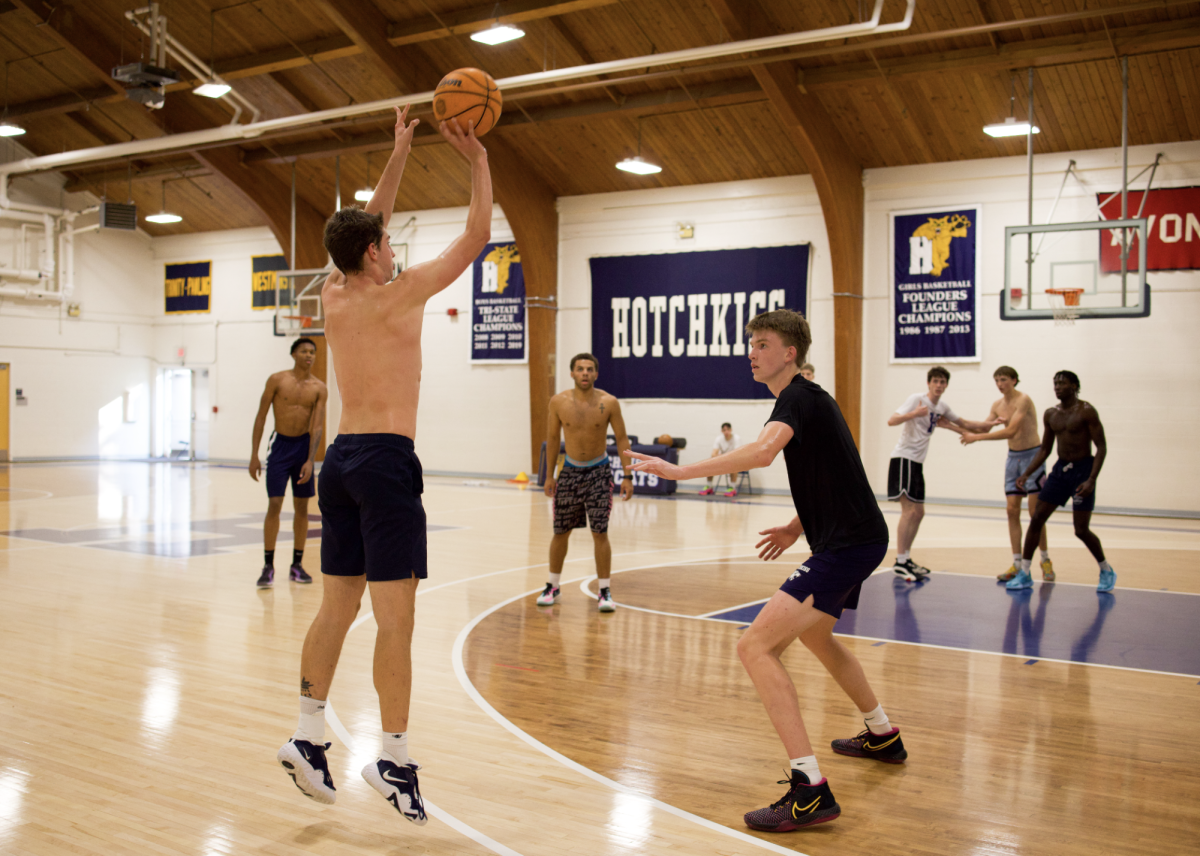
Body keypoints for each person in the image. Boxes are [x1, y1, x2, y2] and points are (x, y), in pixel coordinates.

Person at [275, 106, 491, 824]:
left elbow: (364, 222)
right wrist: (478, 161)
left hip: (339, 461)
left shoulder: (335, 292)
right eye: (386, 243)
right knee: (394, 621)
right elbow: (476, 235)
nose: (392, 246)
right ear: (374, 254)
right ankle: (392, 758)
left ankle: (308, 736)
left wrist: (399, 149)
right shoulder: (402, 292)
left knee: (338, 605)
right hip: (386, 462)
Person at [629, 309, 903, 832]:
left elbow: (760, 453)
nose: (751, 351)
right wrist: (797, 528)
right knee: (820, 638)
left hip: (847, 545)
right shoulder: (809, 399)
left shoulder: (798, 397)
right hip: (856, 538)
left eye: (762, 343)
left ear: (790, 352)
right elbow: (840, 473)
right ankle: (883, 734)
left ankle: (810, 791)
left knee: (754, 646)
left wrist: (681, 470)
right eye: (750, 343)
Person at [537, 353, 634, 612]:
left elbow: (622, 439)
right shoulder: (558, 402)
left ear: (596, 374)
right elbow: (552, 439)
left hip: (599, 472)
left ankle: (604, 591)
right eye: (580, 369)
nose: (584, 373)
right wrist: (549, 476)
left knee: (600, 531)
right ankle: (552, 585)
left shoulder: (609, 402)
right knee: (560, 531)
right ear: (571, 373)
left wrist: (627, 475)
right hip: (569, 472)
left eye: (589, 369)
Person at [886, 366, 998, 581]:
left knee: (919, 513)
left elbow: (964, 423)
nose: (939, 385)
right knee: (909, 512)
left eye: (942, 382)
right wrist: (914, 414)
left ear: (946, 385)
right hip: (904, 459)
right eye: (935, 381)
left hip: (917, 463)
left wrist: (989, 424)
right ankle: (900, 562)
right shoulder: (916, 399)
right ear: (929, 383)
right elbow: (892, 420)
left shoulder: (941, 406)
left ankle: (906, 558)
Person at [1007, 371, 1114, 592]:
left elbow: (1101, 447)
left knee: (1081, 530)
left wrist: (1092, 479)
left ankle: (1106, 569)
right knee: (1037, 519)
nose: (1057, 387)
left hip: (1082, 472)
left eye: (1062, 383)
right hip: (1059, 472)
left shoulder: (1087, 411)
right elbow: (1045, 449)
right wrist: (1027, 473)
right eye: (1055, 383)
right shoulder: (1051, 414)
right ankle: (1025, 573)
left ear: (1074, 386)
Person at [949, 366, 1053, 581]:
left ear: (1014, 380)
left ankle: (1044, 559)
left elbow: (1011, 430)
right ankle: (1016, 564)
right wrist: (947, 424)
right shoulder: (997, 405)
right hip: (1013, 458)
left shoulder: (1023, 400)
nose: (999, 384)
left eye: (1003, 379)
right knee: (1011, 511)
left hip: (1033, 457)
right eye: (996, 380)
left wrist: (975, 439)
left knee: (1035, 514)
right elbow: (982, 428)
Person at [249, 337, 327, 588]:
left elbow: (317, 427)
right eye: (304, 351)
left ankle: (297, 564)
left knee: (302, 508)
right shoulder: (277, 380)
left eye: (313, 352)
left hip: (303, 448)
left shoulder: (319, 388)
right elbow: (261, 417)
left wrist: (310, 460)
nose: (309, 355)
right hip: (280, 447)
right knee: (274, 503)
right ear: (293, 354)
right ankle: (268, 565)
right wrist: (253, 455)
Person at [700, 422, 741, 496]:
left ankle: (732, 487)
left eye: (728, 429)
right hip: (722, 461)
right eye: (724, 430)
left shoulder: (736, 438)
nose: (726, 432)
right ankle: (709, 486)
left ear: (731, 430)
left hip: (732, 461)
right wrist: (721, 457)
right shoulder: (719, 439)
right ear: (722, 431)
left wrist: (722, 456)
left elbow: (736, 455)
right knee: (709, 463)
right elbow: (713, 454)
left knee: (735, 464)